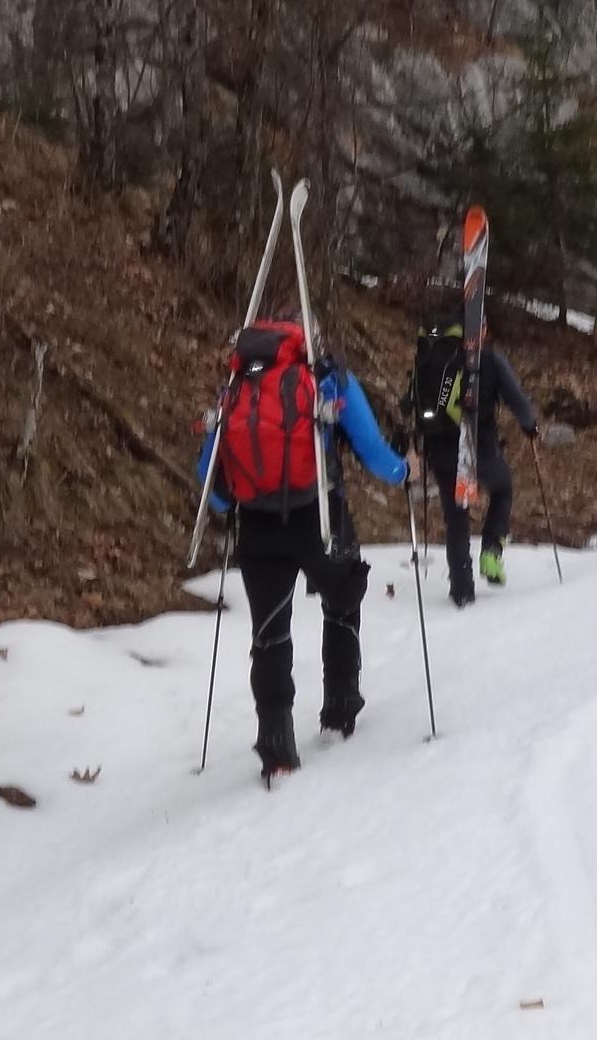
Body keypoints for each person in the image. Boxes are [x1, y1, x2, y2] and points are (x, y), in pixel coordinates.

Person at [198, 317, 409, 780]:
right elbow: (375, 454)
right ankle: (340, 710)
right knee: (343, 601)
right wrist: (404, 472)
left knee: (269, 635)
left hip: (257, 530)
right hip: (321, 519)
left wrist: (244, 495)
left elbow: (211, 483)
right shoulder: (328, 380)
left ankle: (277, 749)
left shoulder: (237, 386)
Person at [404, 288, 541, 607]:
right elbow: (519, 402)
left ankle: (462, 590)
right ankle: (491, 552)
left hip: (439, 447)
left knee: (457, 517)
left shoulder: (436, 354)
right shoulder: (489, 360)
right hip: (478, 448)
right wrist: (530, 426)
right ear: (482, 329)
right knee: (503, 489)